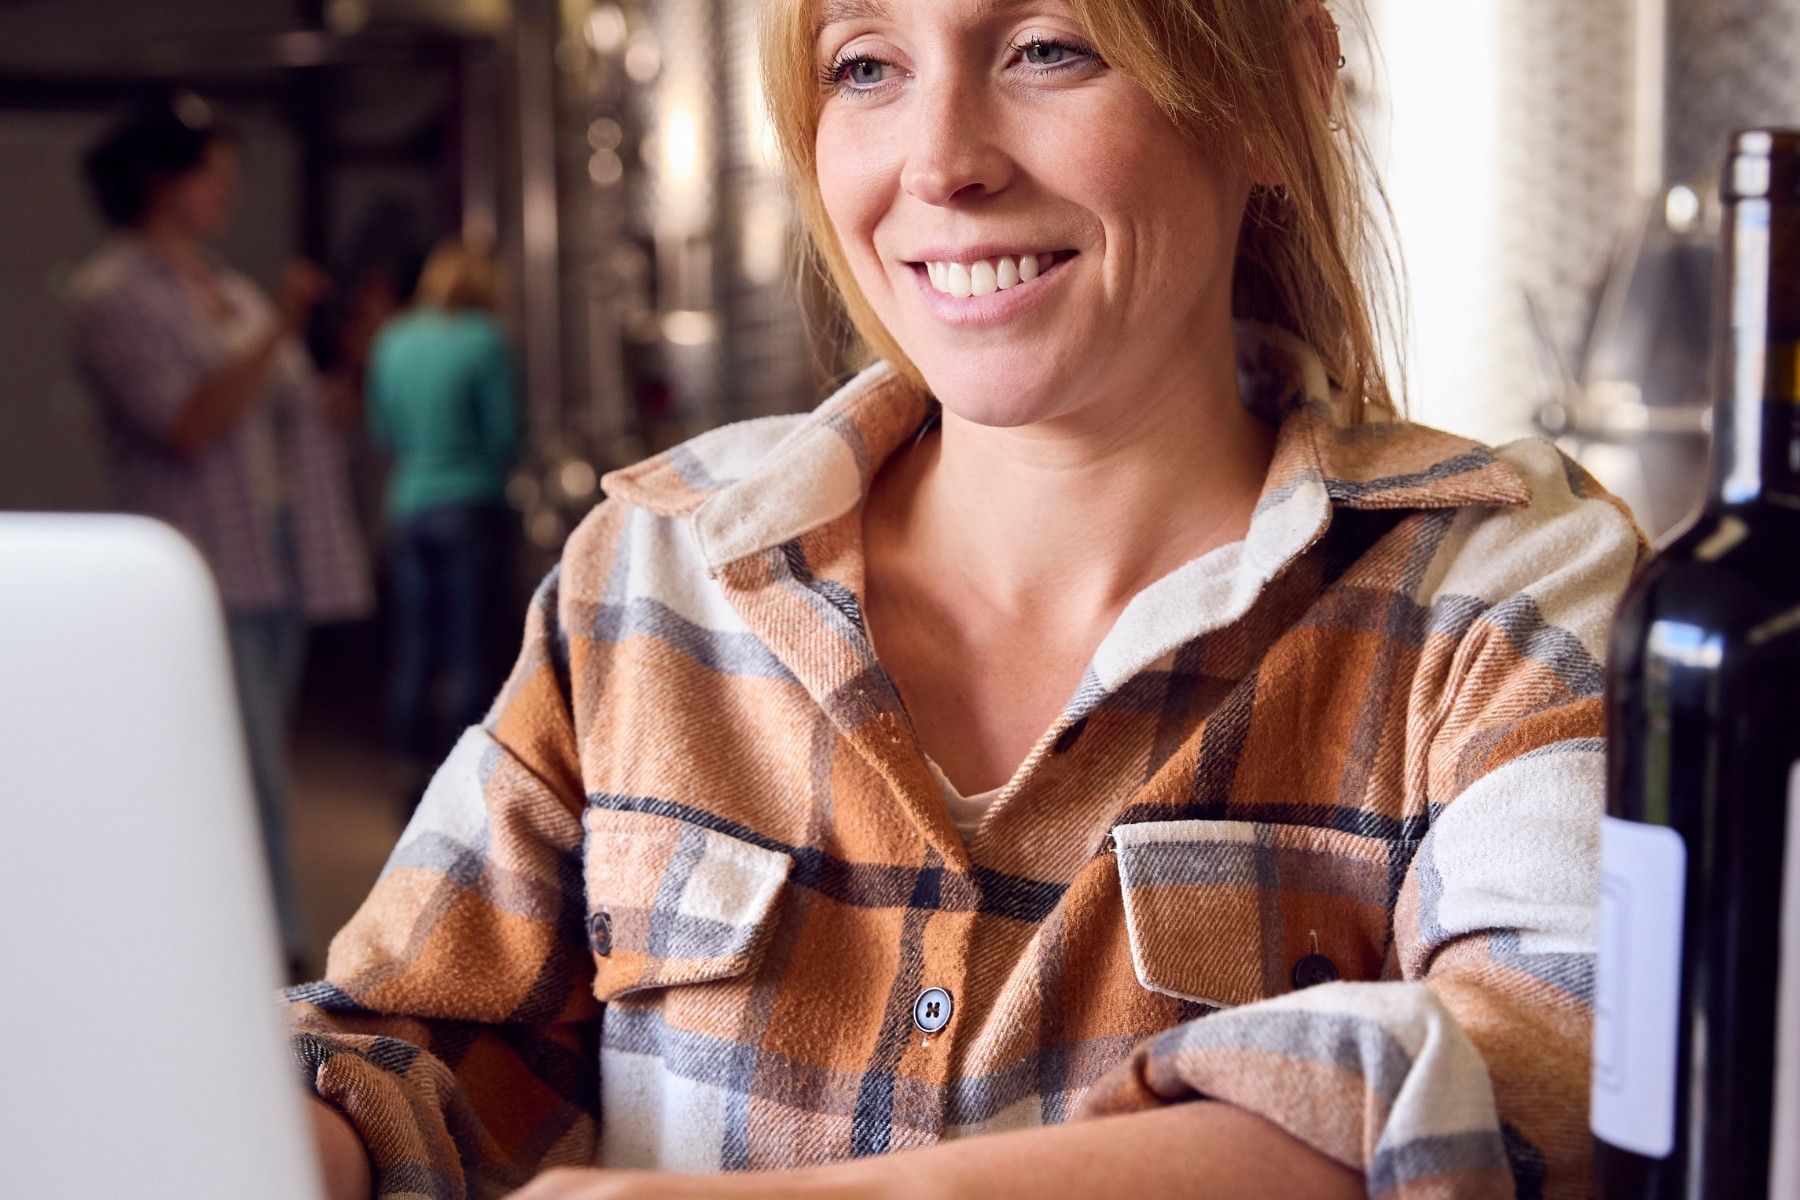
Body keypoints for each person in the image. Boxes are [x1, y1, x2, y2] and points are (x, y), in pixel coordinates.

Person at [293, 2, 1641, 1197]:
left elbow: (1556, 1062)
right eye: (866, 65)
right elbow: (419, 1031)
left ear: (1280, 89)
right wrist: (297, 1133)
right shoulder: (659, 567)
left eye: (1049, 49)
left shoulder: (1499, 588)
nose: (940, 163)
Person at [69, 95, 372, 972]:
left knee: (254, 763)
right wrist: (280, 321)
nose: (224, 190)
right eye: (210, 173)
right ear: (159, 180)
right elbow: (189, 421)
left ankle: (251, 948)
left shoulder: (225, 287)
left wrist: (352, 355)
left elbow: (304, 415)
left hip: (269, 558)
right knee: (239, 775)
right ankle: (265, 953)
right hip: (194, 563)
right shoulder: (115, 294)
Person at [365, 238, 520, 803]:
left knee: (412, 644)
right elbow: (504, 432)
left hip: (407, 505)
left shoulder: (393, 338)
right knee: (469, 646)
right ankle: (460, 782)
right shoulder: (485, 340)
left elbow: (384, 431)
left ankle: (405, 769)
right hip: (472, 506)